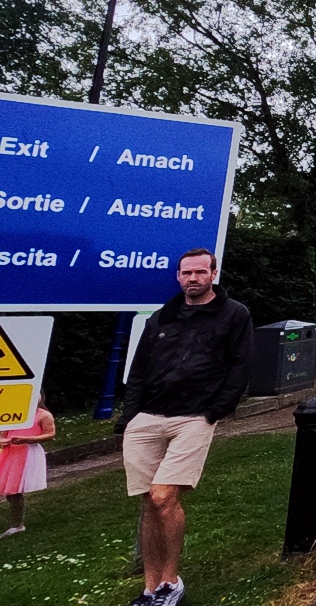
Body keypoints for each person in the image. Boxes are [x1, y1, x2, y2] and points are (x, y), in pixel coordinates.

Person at [113, 248, 253, 606]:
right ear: (178, 276)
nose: (193, 278)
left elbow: (239, 366)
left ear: (213, 274)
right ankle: (150, 587)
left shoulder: (233, 314)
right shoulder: (162, 318)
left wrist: (216, 410)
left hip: (193, 417)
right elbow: (139, 370)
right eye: (186, 273)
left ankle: (171, 581)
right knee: (149, 502)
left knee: (164, 496)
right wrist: (130, 417)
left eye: (200, 272)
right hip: (147, 417)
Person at [0, 393, 55, 538]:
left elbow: (50, 434)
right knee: (8, 489)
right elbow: (4, 431)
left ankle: (17, 524)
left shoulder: (43, 415)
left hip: (26, 453)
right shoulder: (15, 413)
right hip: (10, 452)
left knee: (14, 489)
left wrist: (27, 439)